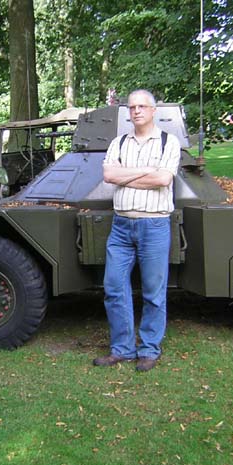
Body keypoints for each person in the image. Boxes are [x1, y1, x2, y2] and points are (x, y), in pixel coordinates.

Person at [93, 89, 181, 372]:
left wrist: (127, 175)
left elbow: (163, 179)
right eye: (132, 107)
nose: (137, 111)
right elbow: (109, 175)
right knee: (114, 287)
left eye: (142, 106)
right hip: (121, 226)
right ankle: (122, 349)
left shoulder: (168, 142)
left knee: (153, 291)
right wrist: (146, 171)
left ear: (153, 110)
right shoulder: (118, 143)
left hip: (154, 225)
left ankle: (149, 349)